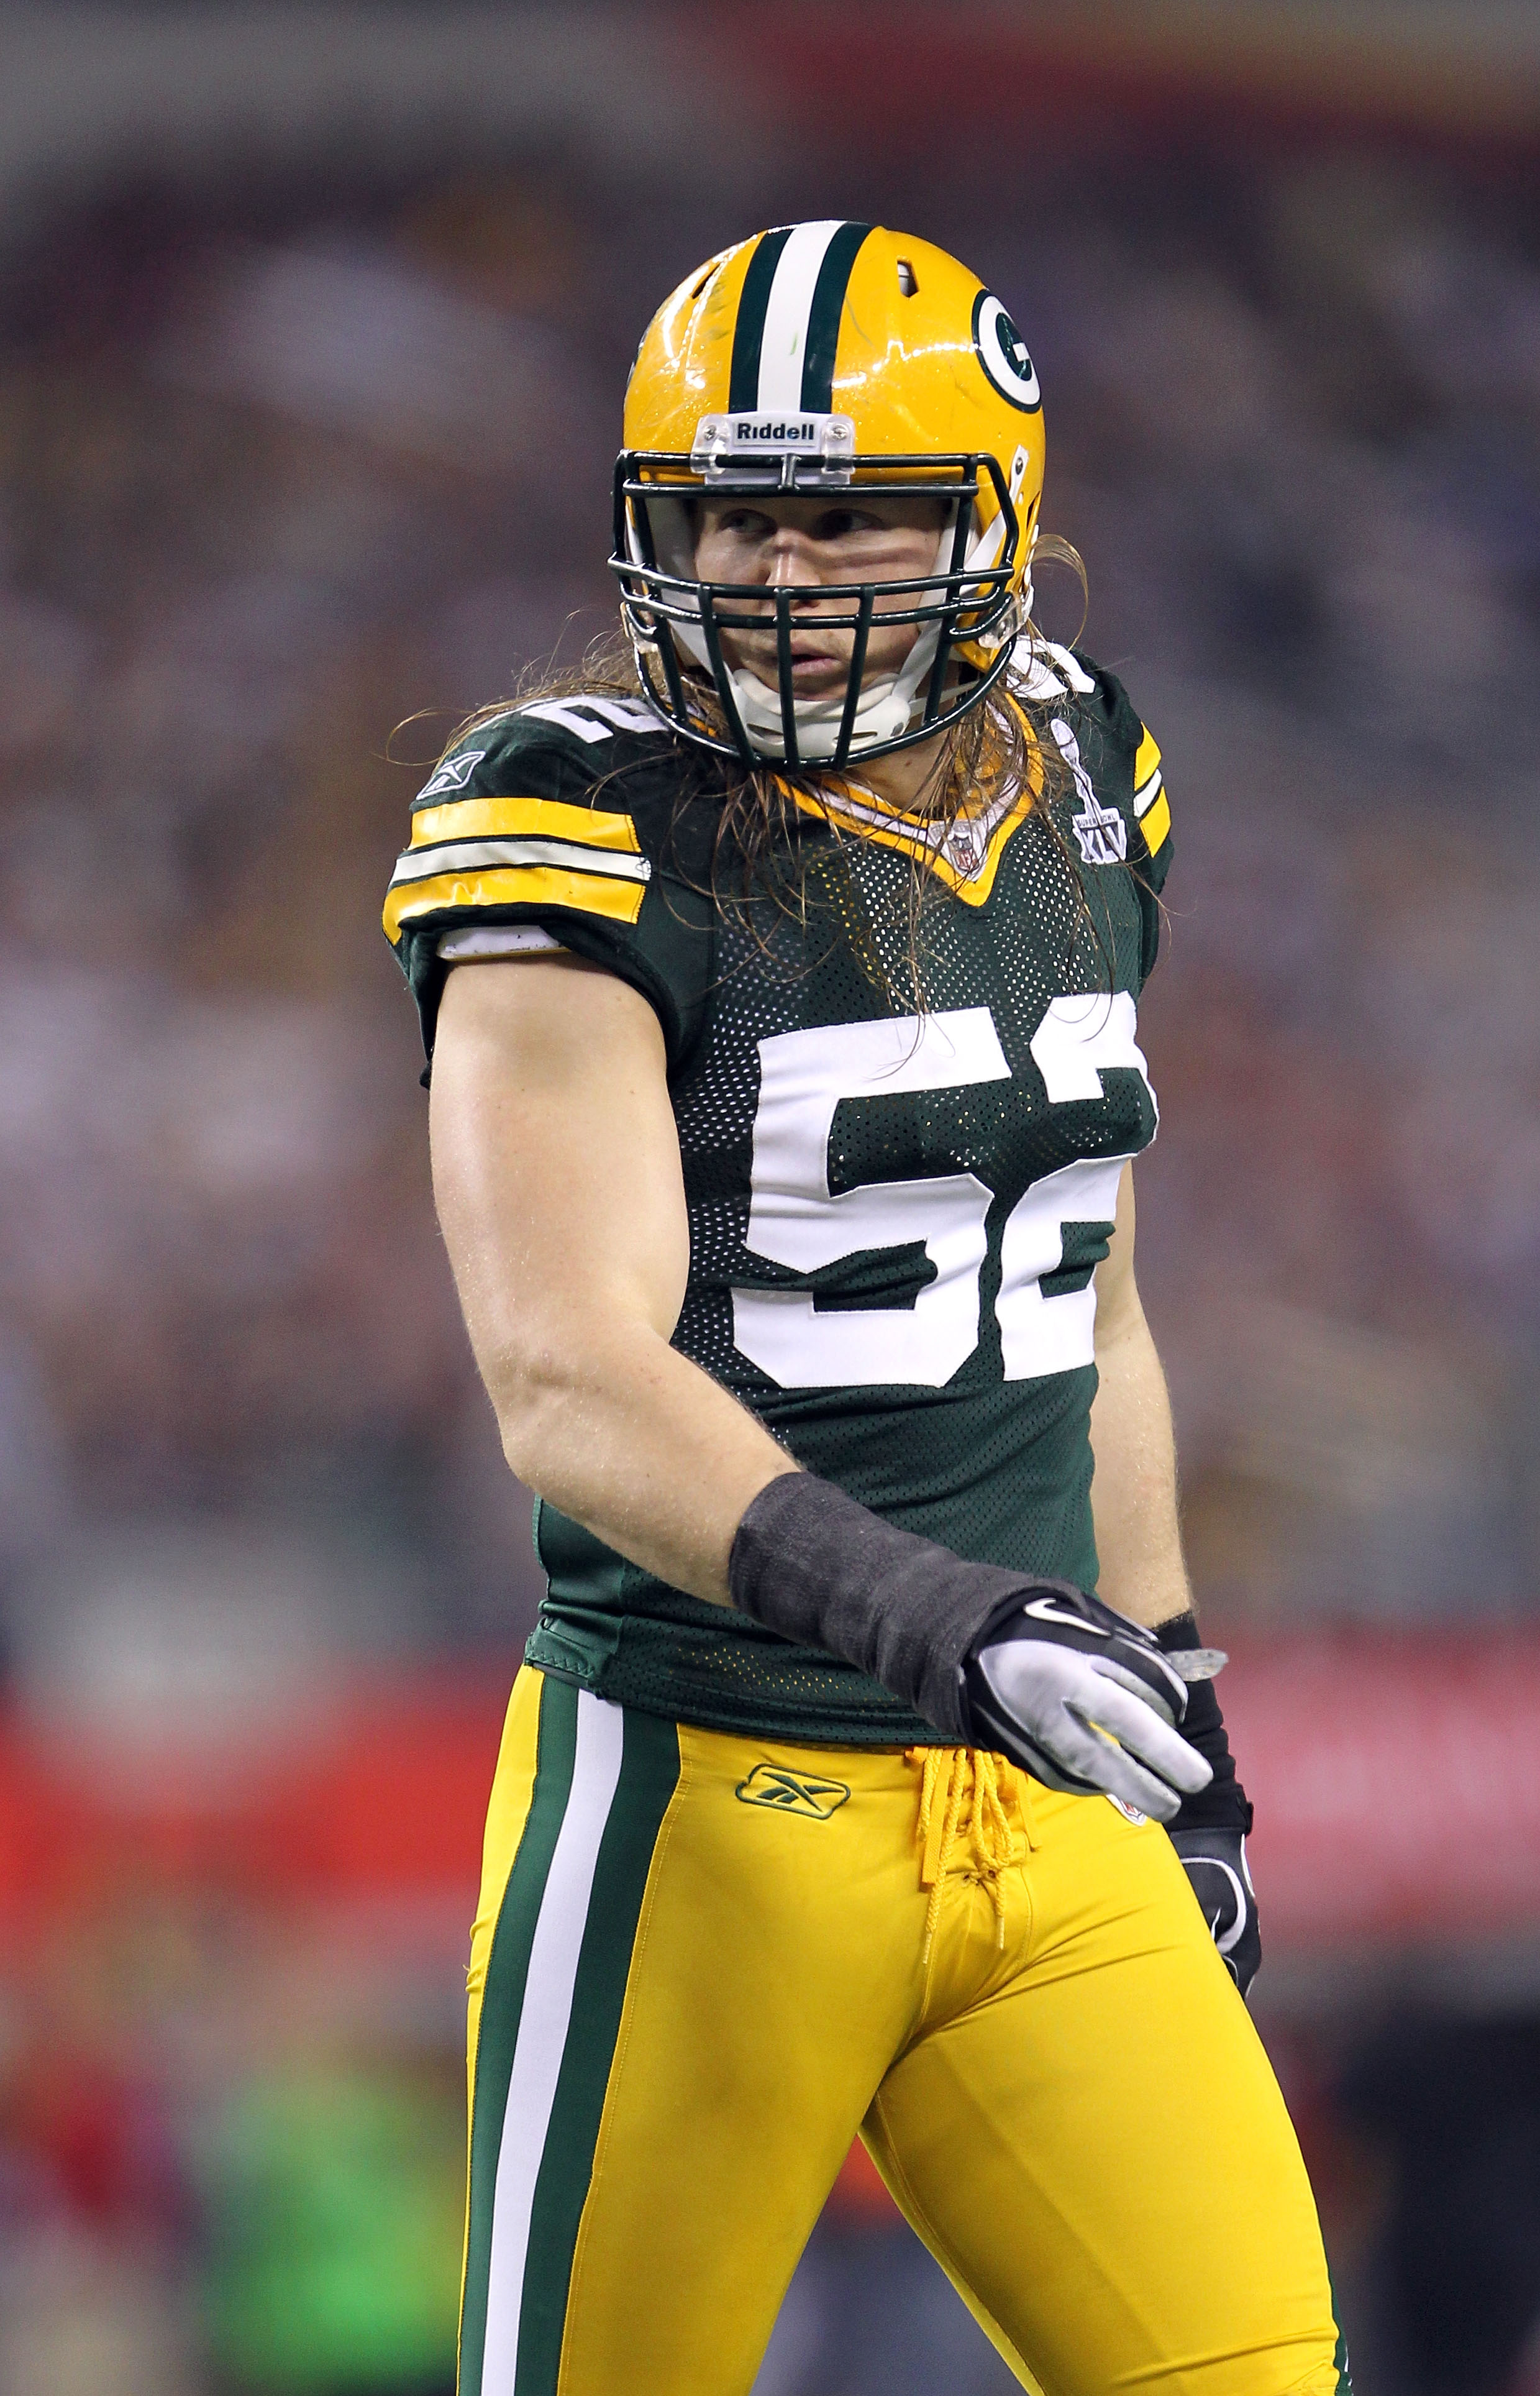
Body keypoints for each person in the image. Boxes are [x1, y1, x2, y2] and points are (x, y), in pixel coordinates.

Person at [384, 221, 1348, 2396]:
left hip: (1042, 1797)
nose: (784, 570)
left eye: (853, 515)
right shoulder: (569, 815)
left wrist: (1172, 1687)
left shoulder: (1092, 772)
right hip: (711, 1798)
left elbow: (1085, 1302)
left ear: (992, 524)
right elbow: (565, 1378)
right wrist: (942, 1610)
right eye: (735, 514)